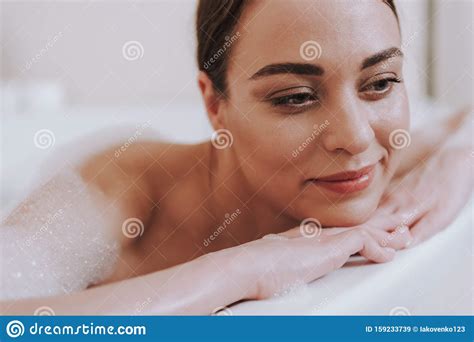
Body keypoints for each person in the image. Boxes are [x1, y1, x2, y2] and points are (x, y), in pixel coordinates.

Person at [1, 0, 472, 315]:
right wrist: (246, 267)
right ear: (213, 104)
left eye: (380, 83)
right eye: (295, 97)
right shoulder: (117, 194)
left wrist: (456, 165)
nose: (354, 138)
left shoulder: (401, 159)